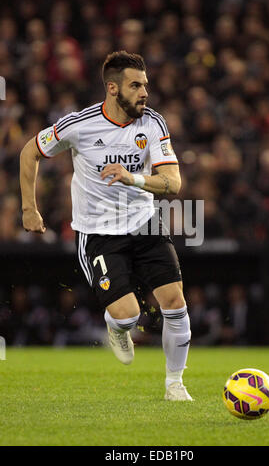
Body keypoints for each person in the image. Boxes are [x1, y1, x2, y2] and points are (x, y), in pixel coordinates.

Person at [20, 51, 193, 401]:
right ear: (112, 89)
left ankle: (175, 384)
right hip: (99, 233)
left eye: (145, 84)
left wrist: (132, 179)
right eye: (135, 85)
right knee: (128, 315)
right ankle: (118, 328)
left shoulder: (152, 123)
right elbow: (30, 151)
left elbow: (173, 183)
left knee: (175, 302)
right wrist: (29, 208)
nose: (144, 92)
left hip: (145, 225)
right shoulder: (79, 125)